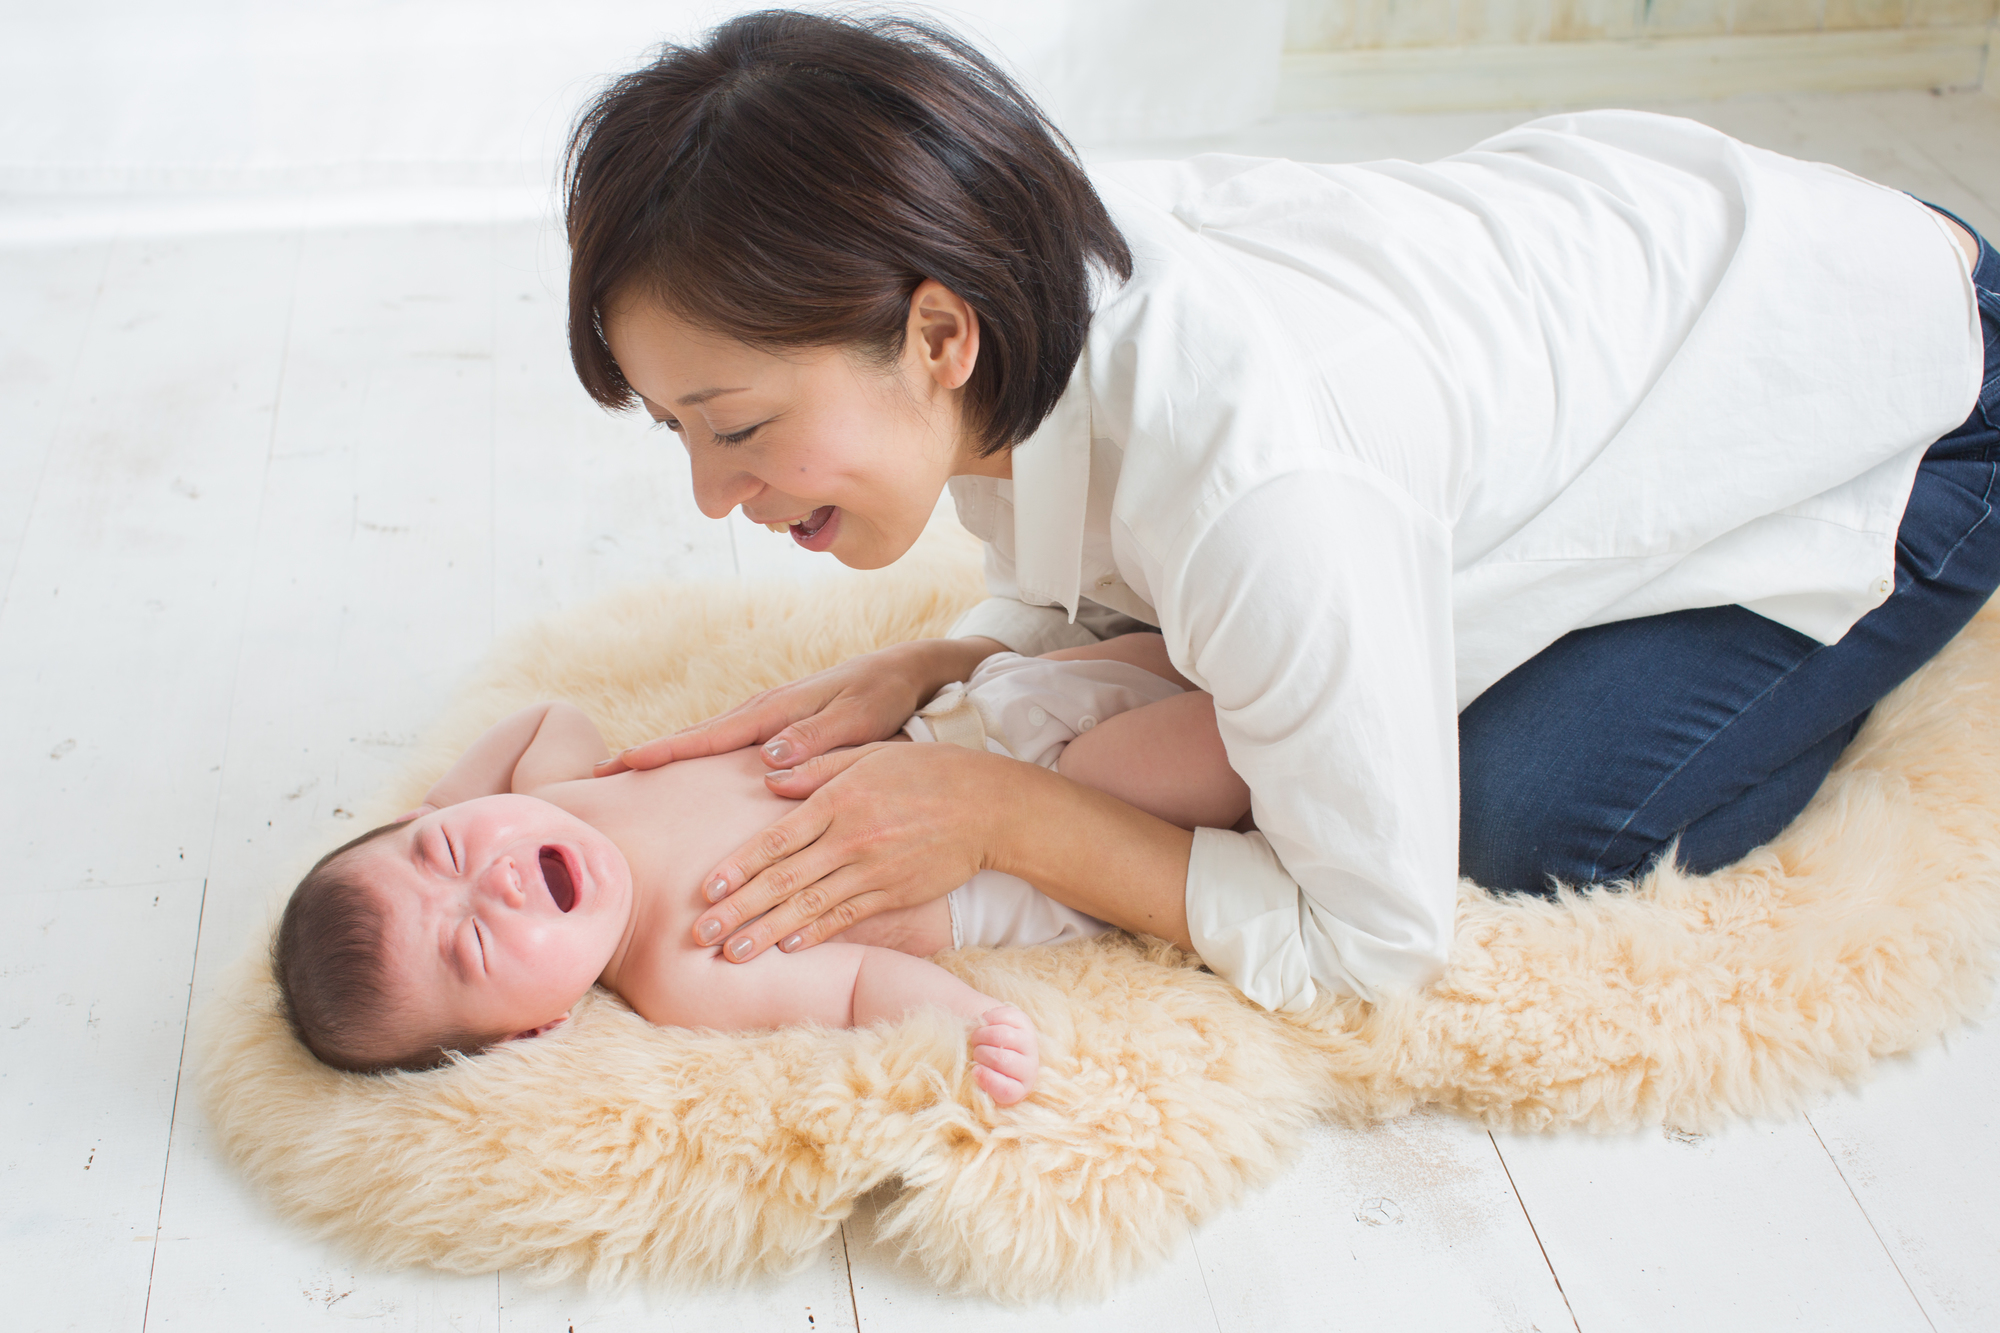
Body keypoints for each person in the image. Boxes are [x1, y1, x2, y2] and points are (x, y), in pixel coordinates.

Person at [565, 12, 1999, 1015]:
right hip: (1700, 267)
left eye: (740, 428)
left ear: (940, 337)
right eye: (680, 431)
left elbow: (1375, 943)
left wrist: (1007, 811)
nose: (711, 495)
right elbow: (1115, 565)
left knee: (1522, 824)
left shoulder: (1263, 476)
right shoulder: (1020, 292)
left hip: (1915, 386)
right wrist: (948, 661)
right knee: (1258, 693)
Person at [273, 633, 1248, 1101]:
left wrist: (454, 798)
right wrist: (968, 1027)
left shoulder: (556, 794)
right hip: (1039, 852)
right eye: (480, 939)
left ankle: (1282, 658)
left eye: (444, 848)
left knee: (1167, 647)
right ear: (535, 1025)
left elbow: (546, 716)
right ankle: (1301, 746)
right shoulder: (682, 968)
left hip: (973, 719)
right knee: (1207, 746)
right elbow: (859, 980)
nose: (495, 877)